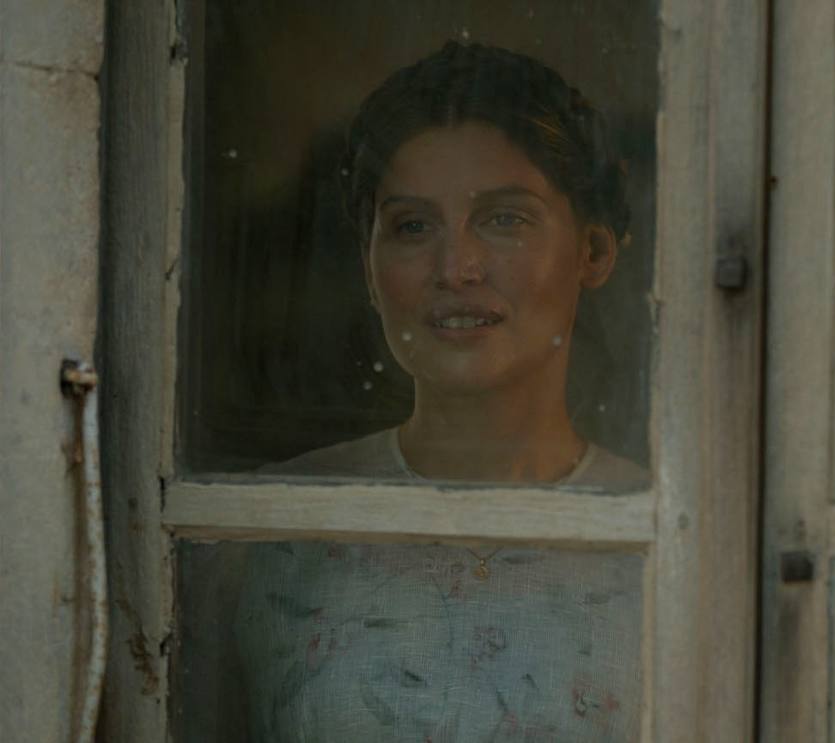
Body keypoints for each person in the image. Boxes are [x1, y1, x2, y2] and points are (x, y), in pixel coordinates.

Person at [186, 42, 647, 742]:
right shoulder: (259, 535)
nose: (455, 267)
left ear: (594, 250)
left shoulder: (663, 542)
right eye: (411, 226)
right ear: (370, 271)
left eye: (504, 219)